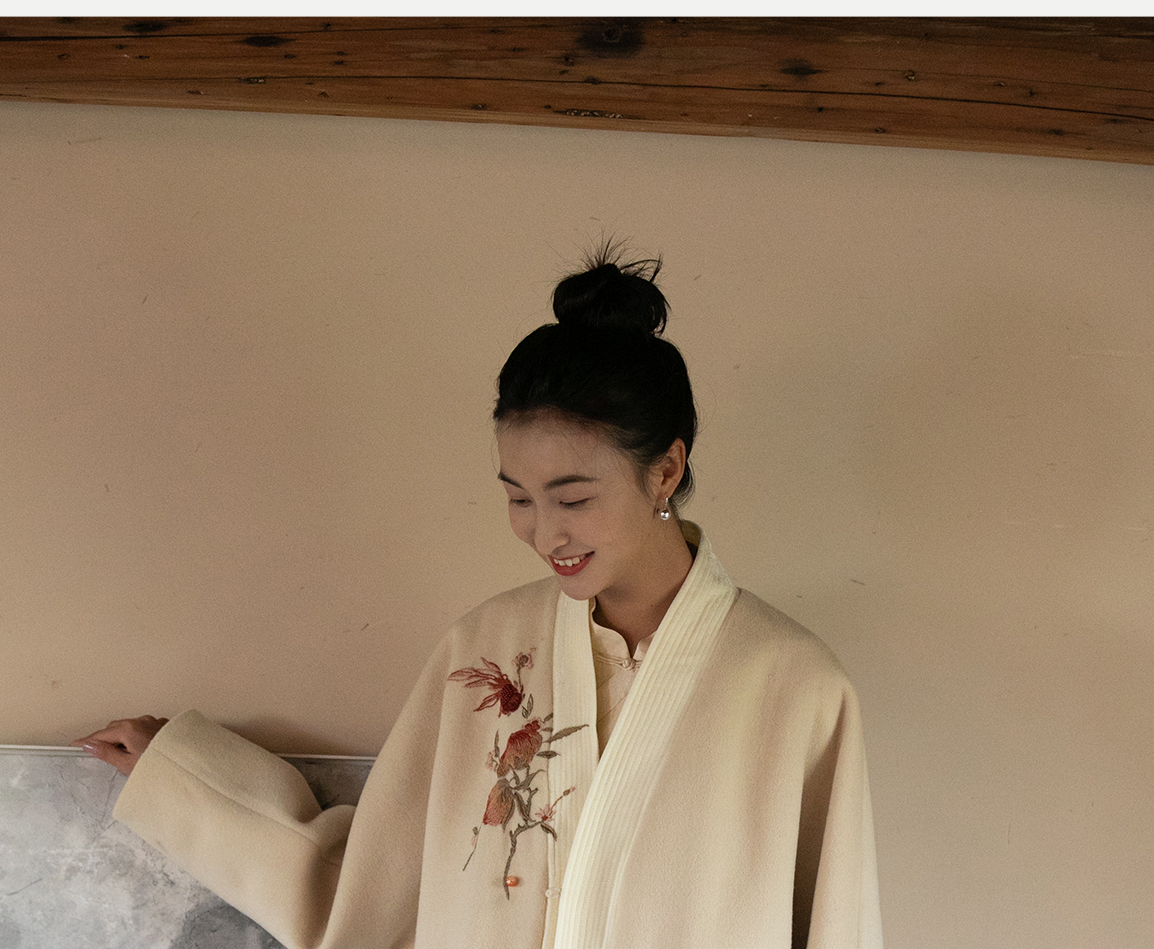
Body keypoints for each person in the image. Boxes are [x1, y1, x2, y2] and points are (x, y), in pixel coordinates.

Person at [75, 251, 883, 949]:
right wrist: (183, 776)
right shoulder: (486, 648)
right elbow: (371, 896)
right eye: (518, 497)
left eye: (573, 497)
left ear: (665, 470)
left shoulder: (794, 687)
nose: (544, 532)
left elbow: (837, 927)